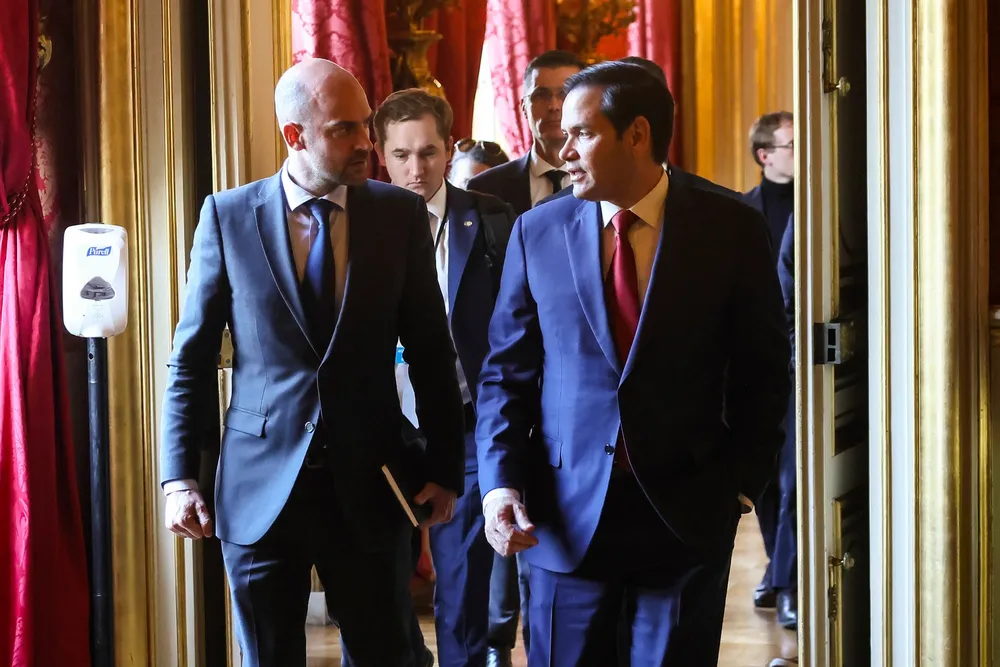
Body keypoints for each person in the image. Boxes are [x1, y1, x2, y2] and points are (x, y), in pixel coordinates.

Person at [475, 61, 790, 665]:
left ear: (637, 134)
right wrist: (499, 486)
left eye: (582, 133)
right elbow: (505, 374)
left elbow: (765, 368)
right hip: (561, 515)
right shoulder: (536, 232)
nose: (563, 151)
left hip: (685, 515)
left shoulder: (730, 226)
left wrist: (738, 487)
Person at [159, 58, 467, 667]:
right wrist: (179, 479)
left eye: (366, 125)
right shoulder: (228, 217)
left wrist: (445, 467)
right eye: (344, 129)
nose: (366, 143)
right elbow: (190, 360)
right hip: (258, 489)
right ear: (294, 135)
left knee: (386, 656)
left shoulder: (398, 215)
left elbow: (433, 351)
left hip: (371, 483)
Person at [372, 88, 516, 667]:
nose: (416, 168)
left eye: (428, 152)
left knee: (463, 592)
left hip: (468, 426)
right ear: (381, 154)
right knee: (378, 592)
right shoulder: (356, 223)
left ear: (449, 149)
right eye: (401, 154)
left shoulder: (492, 219)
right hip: (383, 429)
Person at [743, 111, 798, 628]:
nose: (801, 153)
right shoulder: (741, 213)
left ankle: (786, 582)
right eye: (792, 145)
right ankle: (775, 566)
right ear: (765, 155)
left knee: (794, 476)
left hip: (802, 361)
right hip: (755, 362)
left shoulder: (817, 203)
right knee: (765, 480)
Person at [467, 50, 586, 217]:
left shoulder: (605, 182)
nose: (554, 106)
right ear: (524, 107)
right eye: (541, 96)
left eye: (564, 94)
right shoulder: (485, 188)